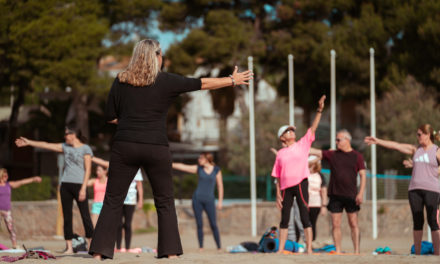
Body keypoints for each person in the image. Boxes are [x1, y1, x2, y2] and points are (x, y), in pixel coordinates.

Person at [89, 39, 252, 260]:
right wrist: (232, 80)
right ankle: (170, 253)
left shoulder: (120, 81)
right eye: (161, 54)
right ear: (156, 56)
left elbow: (111, 117)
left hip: (125, 144)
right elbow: (201, 83)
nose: (162, 57)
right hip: (156, 146)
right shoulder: (166, 81)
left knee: (112, 199)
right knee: (164, 200)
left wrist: (131, 123)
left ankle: (99, 252)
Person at [15, 126, 94, 253]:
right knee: (67, 217)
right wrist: (29, 142)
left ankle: (91, 245)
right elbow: (46, 145)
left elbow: (88, 170)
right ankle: (69, 247)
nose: (65, 136)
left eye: (67, 133)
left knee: (85, 216)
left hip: (80, 185)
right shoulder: (65, 147)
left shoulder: (86, 148)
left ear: (73, 134)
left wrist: (84, 188)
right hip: (65, 185)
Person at [364, 124, 440, 255]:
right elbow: (396, 145)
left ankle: (438, 253)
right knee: (417, 221)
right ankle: (417, 253)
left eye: (419, 134)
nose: (418, 137)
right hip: (414, 189)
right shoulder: (415, 149)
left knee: (433, 220)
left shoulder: (437, 150)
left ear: (428, 135)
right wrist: (377, 141)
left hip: (432, 190)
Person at [272, 95, 326, 254]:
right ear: (282, 137)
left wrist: (319, 110)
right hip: (285, 188)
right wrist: (277, 194)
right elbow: (277, 176)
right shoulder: (280, 154)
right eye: (288, 131)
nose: (291, 132)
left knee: (304, 217)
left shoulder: (303, 144)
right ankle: (280, 249)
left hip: (301, 183)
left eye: (291, 130)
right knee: (284, 219)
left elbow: (313, 128)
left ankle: (309, 249)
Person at [310, 129, 366, 254]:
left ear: (347, 140)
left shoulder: (357, 156)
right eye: (336, 140)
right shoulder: (332, 154)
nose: (336, 142)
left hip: (351, 195)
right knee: (335, 224)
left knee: (353, 223)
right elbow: (314, 151)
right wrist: (295, 146)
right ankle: (338, 251)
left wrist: (361, 193)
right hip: (335, 195)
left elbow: (363, 175)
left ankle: (356, 251)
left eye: (338, 140)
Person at [172, 153, 224, 251]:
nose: (198, 159)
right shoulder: (198, 169)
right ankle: (201, 247)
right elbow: (184, 167)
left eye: (201, 158)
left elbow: (220, 186)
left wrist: (220, 201)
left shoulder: (217, 170)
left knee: (213, 224)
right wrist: (171, 164)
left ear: (207, 159)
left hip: (209, 201)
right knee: (199, 224)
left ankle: (219, 247)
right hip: (197, 200)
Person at [0, 168, 41, 249]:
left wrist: (33, 179)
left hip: (7, 211)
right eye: (4, 175)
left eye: (7, 175)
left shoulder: (9, 184)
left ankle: (14, 245)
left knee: (11, 229)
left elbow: (21, 182)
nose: (6, 177)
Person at [116, 169, 143, 253]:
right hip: (119, 199)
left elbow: (139, 185)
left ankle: (127, 247)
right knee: (118, 224)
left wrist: (140, 200)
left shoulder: (137, 169)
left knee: (127, 224)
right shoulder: (121, 164)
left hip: (131, 200)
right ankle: (118, 247)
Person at [307, 156, 328, 243]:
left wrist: (324, 206)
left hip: (315, 203)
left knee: (312, 223)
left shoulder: (320, 176)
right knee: (303, 223)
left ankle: (312, 241)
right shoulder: (304, 174)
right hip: (305, 203)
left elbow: (323, 191)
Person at [87, 157, 108, 227]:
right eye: (96, 170)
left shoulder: (110, 181)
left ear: (105, 171)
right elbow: (85, 183)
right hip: (96, 205)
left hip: (106, 206)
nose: (97, 172)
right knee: (93, 226)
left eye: (99, 170)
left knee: (105, 227)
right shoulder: (94, 181)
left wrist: (92, 158)